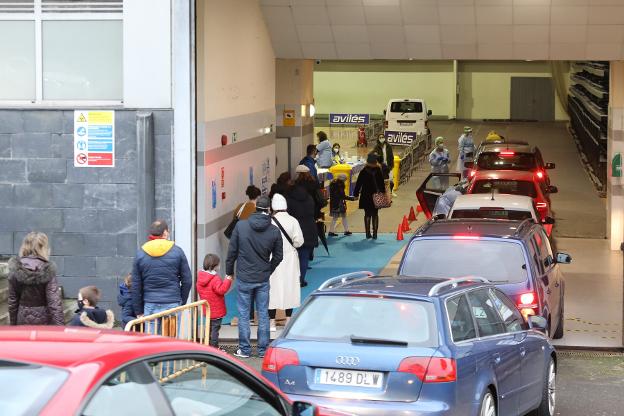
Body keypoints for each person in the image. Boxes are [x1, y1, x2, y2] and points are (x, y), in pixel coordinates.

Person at [225, 195, 283, 359]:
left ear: (256, 208)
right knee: (263, 314)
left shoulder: (241, 226)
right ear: (269, 210)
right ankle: (263, 350)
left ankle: (244, 349)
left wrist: (230, 272)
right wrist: (268, 269)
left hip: (244, 277)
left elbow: (232, 253)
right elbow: (278, 256)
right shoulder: (273, 230)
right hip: (262, 278)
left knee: (244, 314)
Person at [131, 219, 193, 319]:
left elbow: (136, 285)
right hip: (172, 303)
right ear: (164, 233)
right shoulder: (177, 251)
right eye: (168, 231)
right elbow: (187, 281)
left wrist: (138, 310)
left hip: (150, 304)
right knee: (169, 335)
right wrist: (181, 302)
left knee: (152, 335)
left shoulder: (141, 253)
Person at [8, 232, 64, 326]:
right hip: (44, 320)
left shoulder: (16, 269)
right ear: (43, 248)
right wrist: (61, 329)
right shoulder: (47, 269)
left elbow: (12, 302)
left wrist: (13, 325)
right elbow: (54, 304)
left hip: (22, 318)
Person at [269, 194, 304, 331]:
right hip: (289, 258)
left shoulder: (270, 221)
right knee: (290, 287)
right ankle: (288, 321)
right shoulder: (293, 221)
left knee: (272, 289)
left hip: (272, 259)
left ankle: (272, 322)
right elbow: (299, 241)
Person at [287, 167, 318, 287]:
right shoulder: (309, 198)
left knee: (293, 256)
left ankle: (292, 278)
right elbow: (313, 211)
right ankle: (301, 280)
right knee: (304, 257)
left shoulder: (289, 200)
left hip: (294, 230)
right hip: (309, 228)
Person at [196, 254, 232, 349]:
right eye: (219, 264)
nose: (219, 266)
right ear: (214, 265)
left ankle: (207, 347)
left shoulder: (200, 277)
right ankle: (214, 349)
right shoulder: (215, 279)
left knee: (208, 328)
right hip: (216, 311)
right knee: (215, 330)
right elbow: (221, 290)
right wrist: (227, 280)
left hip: (207, 309)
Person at [354, 153, 386, 239]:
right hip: (376, 195)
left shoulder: (363, 171)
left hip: (365, 195)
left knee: (367, 214)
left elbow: (358, 184)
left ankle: (368, 234)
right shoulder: (378, 170)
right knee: (375, 214)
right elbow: (381, 184)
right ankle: (375, 233)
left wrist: (356, 194)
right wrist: (383, 193)